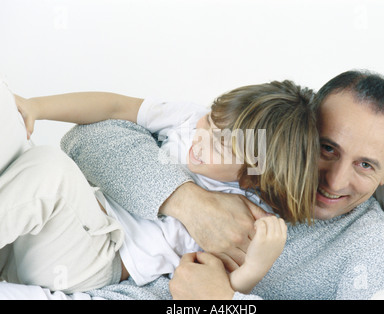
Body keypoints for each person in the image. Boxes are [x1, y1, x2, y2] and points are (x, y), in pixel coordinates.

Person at [9, 80, 319, 294]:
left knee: (49, 171)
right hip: (62, 229)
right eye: (211, 122)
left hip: (97, 261)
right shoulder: (190, 118)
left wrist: (257, 264)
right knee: (19, 150)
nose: (202, 140)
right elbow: (115, 107)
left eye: (222, 147)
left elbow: (220, 288)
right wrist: (37, 107)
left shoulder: (244, 213)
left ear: (255, 173)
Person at [168, 70, 384, 299]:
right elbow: (130, 133)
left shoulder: (380, 248)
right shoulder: (245, 154)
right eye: (327, 148)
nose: (335, 181)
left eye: (365, 165)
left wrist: (225, 302)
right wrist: (186, 201)